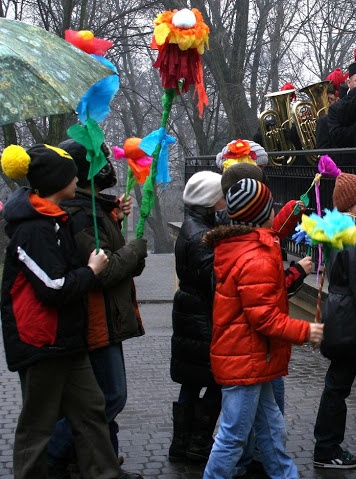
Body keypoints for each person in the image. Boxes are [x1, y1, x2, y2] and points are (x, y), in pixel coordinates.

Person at [0, 144, 137, 479]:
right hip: (42, 343)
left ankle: (105, 472)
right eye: (71, 173)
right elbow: (53, 287)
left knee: (91, 410)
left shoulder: (55, 220)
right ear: (56, 182)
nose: (78, 177)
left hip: (68, 339)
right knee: (38, 424)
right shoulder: (33, 229)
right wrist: (91, 271)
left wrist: (113, 215)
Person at [202, 178, 324, 478]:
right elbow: (264, 318)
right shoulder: (255, 256)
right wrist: (305, 331)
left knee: (272, 433)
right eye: (271, 206)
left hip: (255, 358)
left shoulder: (248, 245)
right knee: (233, 438)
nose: (275, 210)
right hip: (246, 360)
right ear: (260, 214)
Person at [48, 140, 147, 474]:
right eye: (101, 158)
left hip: (105, 317)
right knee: (109, 397)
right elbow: (104, 270)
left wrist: (113, 218)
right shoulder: (79, 213)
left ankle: (104, 467)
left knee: (102, 399)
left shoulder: (91, 207)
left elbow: (105, 250)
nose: (108, 163)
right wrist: (134, 251)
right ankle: (51, 455)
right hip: (96, 320)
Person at [312, 172, 356, 469]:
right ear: (351, 206)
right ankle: (328, 448)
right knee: (340, 383)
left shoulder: (340, 231)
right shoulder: (350, 237)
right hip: (350, 322)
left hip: (342, 317)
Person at [169, 170, 226, 463]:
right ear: (209, 199)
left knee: (190, 382)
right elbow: (214, 279)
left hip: (190, 312)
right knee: (216, 379)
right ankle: (198, 443)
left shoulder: (194, 226)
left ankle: (181, 443)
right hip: (202, 315)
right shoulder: (200, 236)